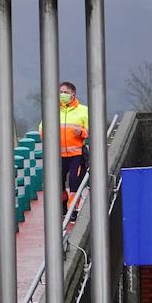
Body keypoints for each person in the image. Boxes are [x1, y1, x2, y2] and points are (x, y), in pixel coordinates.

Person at [59, 81, 90, 217]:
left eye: (66, 92)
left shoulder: (83, 110)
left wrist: (82, 132)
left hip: (76, 154)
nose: (62, 95)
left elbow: (89, 129)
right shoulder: (53, 110)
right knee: (58, 182)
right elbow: (42, 129)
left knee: (74, 182)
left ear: (73, 94)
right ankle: (62, 207)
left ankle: (73, 210)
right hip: (58, 154)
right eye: (61, 92)